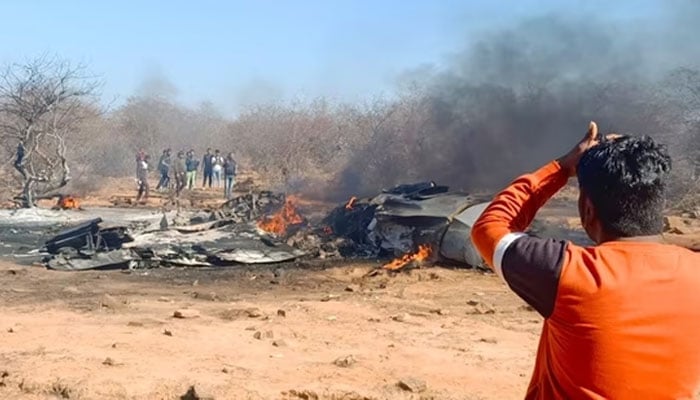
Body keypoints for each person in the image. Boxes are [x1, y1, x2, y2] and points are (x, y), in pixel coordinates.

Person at [470, 121, 700, 399]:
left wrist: (562, 168)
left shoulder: (568, 273)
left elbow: (490, 227)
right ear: (657, 204)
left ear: (587, 210)